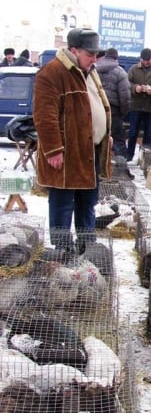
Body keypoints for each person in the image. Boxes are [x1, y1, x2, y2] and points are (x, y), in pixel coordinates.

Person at [32, 27, 112, 254]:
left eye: (96, 54)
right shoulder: (52, 73)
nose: (94, 59)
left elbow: (96, 106)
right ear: (74, 51)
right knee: (63, 202)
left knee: (88, 201)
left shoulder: (90, 71)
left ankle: (87, 244)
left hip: (90, 149)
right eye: (90, 54)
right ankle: (62, 248)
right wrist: (53, 149)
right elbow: (44, 116)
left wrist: (105, 134)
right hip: (67, 151)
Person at [96, 48, 133, 179]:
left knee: (97, 141)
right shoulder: (120, 72)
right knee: (119, 142)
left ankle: (97, 171)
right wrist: (123, 113)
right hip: (114, 113)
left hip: (96, 112)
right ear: (116, 58)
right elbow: (126, 97)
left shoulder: (94, 70)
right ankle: (121, 171)